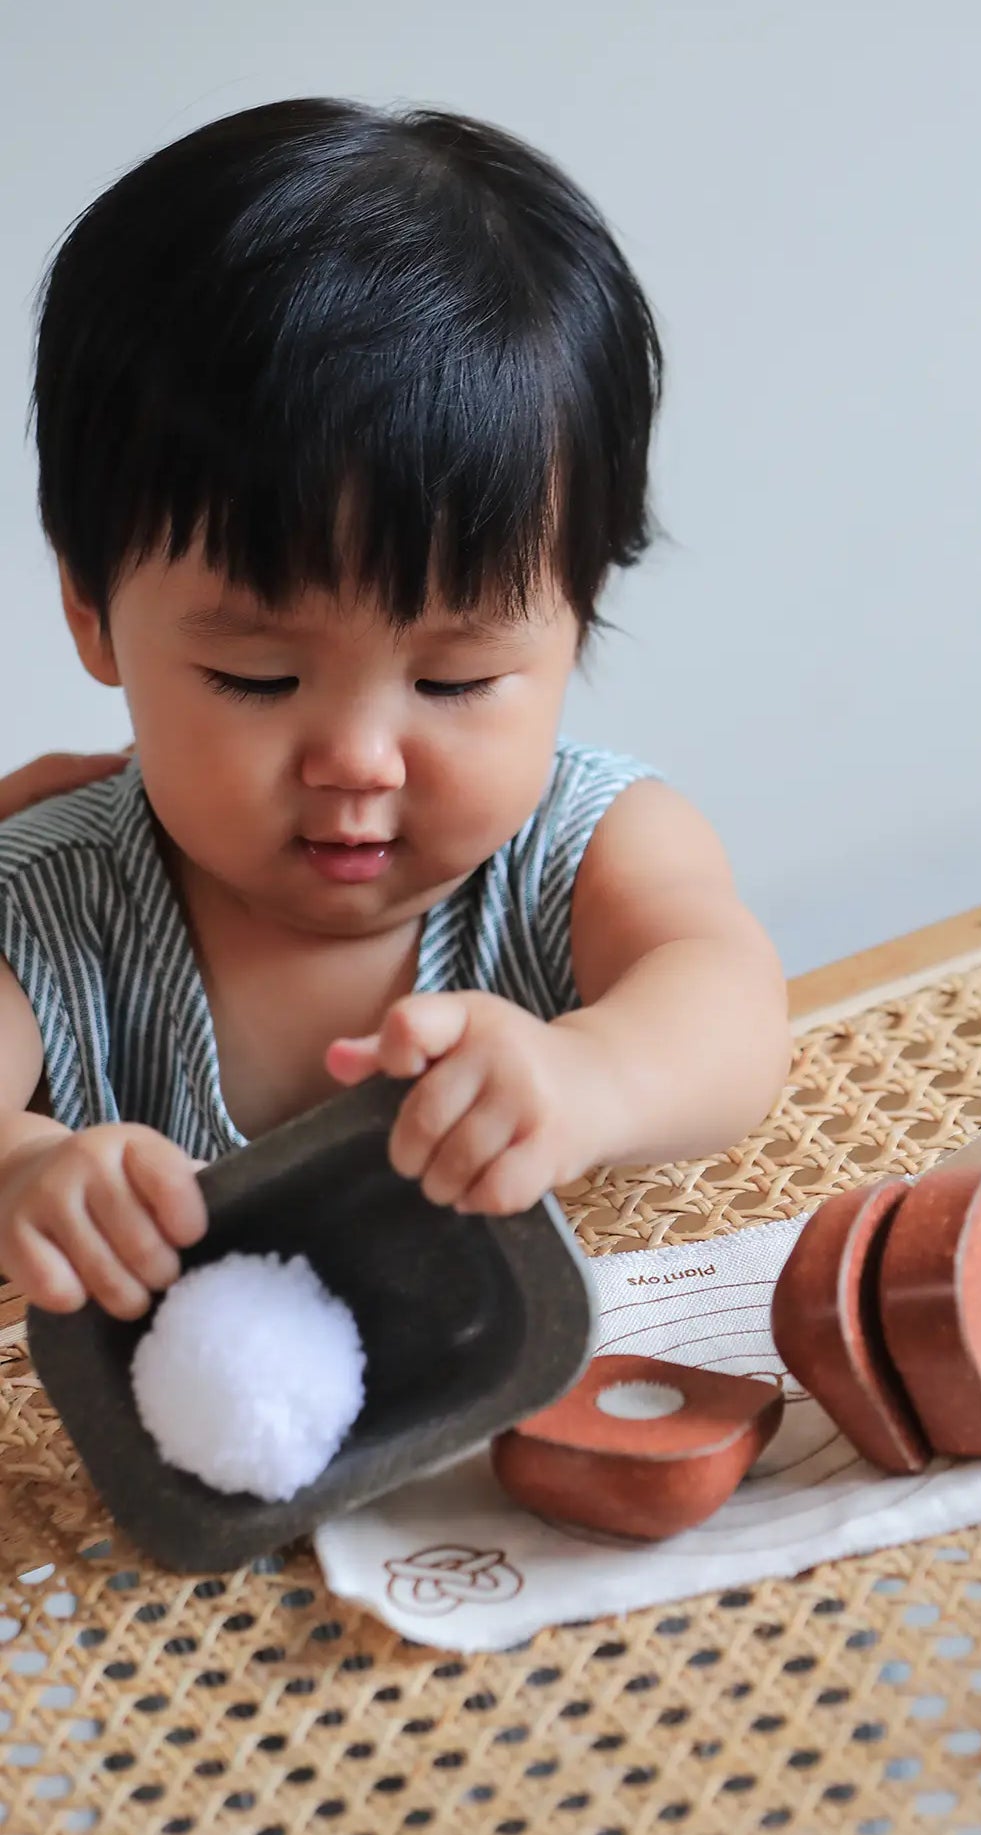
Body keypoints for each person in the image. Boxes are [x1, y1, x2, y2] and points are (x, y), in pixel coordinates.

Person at [0, 99, 790, 1322]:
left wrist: (587, 1076)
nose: (357, 758)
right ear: (93, 611)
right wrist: (29, 1171)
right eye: (258, 677)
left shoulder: (583, 853)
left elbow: (731, 1011)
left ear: (575, 615)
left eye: (455, 680)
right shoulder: (51, 901)